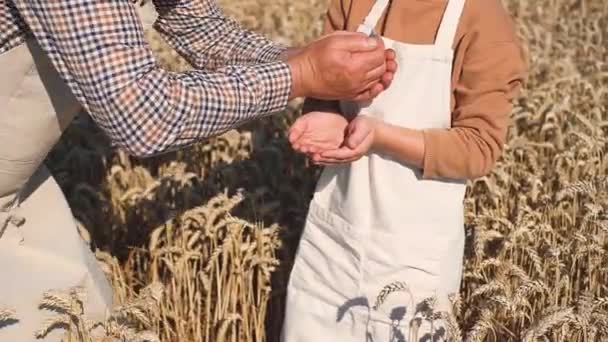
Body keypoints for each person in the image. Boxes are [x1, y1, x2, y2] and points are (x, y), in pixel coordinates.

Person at [0, 0, 397, 340]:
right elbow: (143, 115)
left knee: (85, 319)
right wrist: (302, 75)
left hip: (15, 179)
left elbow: (202, 30)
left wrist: (310, 65)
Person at [283, 0, 527, 340]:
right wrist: (324, 112)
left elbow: (479, 146)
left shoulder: (483, 19)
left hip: (415, 258)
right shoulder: (355, 3)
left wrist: (379, 136)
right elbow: (323, 82)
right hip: (333, 241)